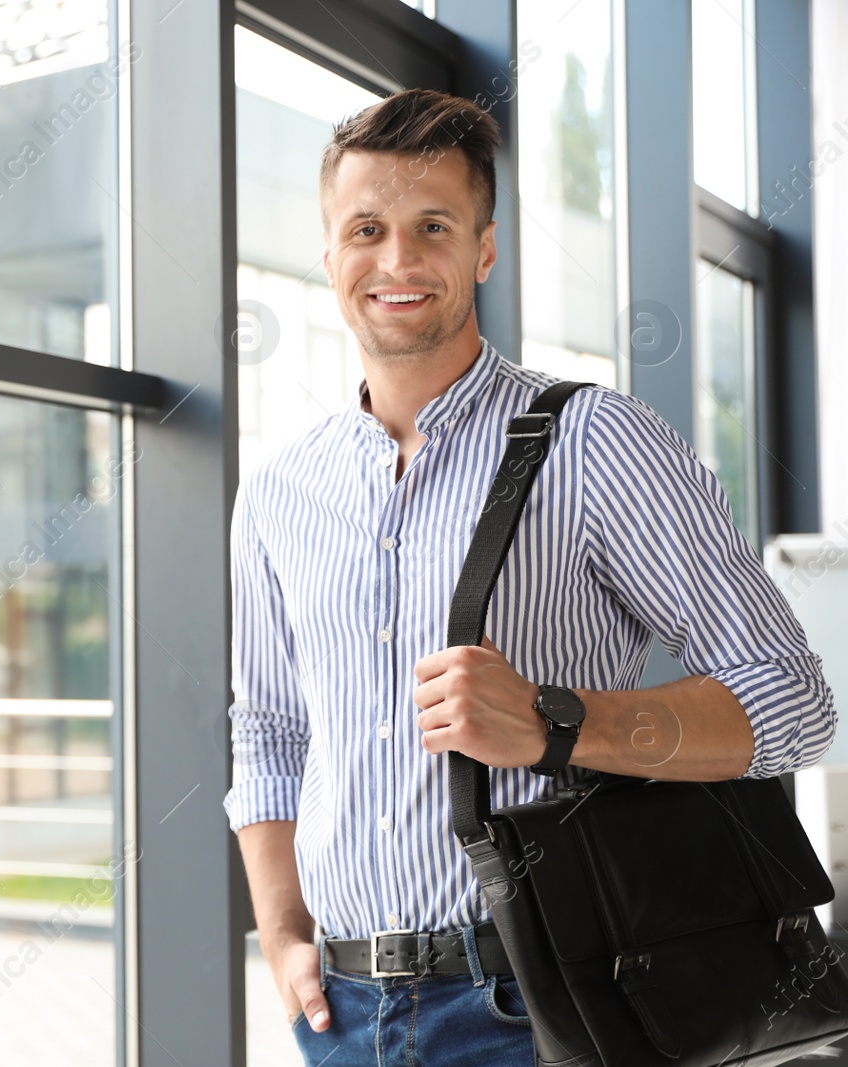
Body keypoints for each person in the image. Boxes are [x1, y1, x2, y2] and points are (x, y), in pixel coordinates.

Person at [222, 87, 837, 1066]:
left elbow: (794, 700)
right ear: (328, 251)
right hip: (338, 1015)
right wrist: (285, 930)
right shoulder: (277, 491)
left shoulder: (596, 443)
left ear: (484, 248)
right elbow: (268, 728)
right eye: (365, 229)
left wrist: (557, 723)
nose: (396, 259)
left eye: (433, 226)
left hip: (543, 1005)